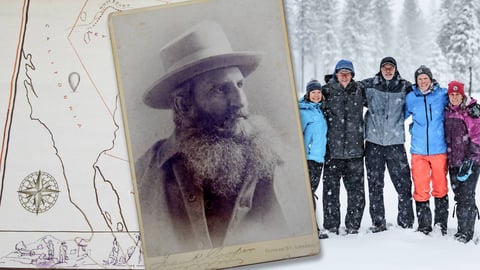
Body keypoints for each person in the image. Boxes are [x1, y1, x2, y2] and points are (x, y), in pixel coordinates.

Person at [134, 20, 289, 256]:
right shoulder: (143, 174)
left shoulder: (278, 162)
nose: (240, 101)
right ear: (183, 103)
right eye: (219, 89)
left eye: (239, 84)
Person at [361, 57, 414, 233]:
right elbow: (348, 86)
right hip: (374, 143)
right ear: (380, 69)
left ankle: (405, 222)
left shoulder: (405, 87)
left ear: (395, 69)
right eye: (385, 67)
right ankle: (378, 222)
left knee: (404, 184)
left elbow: (424, 90)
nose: (388, 70)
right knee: (375, 185)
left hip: (395, 143)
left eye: (391, 67)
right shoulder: (369, 85)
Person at [321, 59, 366, 235]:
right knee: (331, 191)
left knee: (356, 192)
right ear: (336, 74)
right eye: (342, 73)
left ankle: (353, 225)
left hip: (355, 152)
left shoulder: (360, 90)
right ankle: (332, 225)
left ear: (352, 75)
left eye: (348, 73)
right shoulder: (326, 91)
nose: (345, 76)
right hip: (333, 151)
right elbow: (311, 103)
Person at [405, 65, 449, 235]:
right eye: (419, 79)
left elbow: (458, 97)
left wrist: (471, 105)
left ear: (431, 79)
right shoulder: (411, 98)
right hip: (419, 151)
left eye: (425, 78)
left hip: (439, 150)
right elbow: (400, 114)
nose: (423, 82)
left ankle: (440, 224)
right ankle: (424, 225)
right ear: (416, 81)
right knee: (420, 188)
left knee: (440, 187)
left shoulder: (442, 94)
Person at [444, 80, 480, 243]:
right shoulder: (447, 111)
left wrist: (470, 160)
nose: (454, 97)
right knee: (459, 196)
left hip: (470, 163)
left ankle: (467, 232)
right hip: (453, 162)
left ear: (462, 95)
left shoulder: (470, 112)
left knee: (467, 196)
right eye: (452, 94)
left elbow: (477, 138)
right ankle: (461, 229)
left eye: (457, 94)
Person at [298, 79, 328, 239]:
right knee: (308, 193)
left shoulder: (319, 110)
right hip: (308, 158)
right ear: (308, 94)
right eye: (313, 92)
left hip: (318, 158)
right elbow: (297, 134)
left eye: (318, 92)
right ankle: (311, 229)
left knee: (311, 192)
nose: (316, 95)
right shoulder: (303, 111)